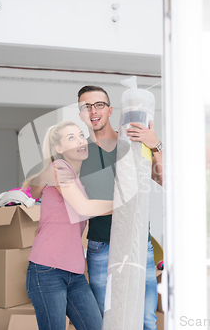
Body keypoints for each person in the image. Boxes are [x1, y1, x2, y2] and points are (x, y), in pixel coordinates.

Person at [60, 85, 163, 329]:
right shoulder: (78, 152)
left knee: (146, 319)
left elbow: (163, 179)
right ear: (81, 114)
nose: (92, 111)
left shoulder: (133, 141)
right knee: (107, 319)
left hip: (138, 243)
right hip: (100, 246)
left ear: (110, 110)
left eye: (98, 105)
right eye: (86, 107)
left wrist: (156, 145)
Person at [23, 121, 114, 330]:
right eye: (71, 138)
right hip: (47, 270)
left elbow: (97, 208)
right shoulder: (60, 168)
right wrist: (123, 202)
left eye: (81, 135)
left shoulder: (79, 180)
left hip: (75, 272)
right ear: (59, 149)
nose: (80, 140)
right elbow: (83, 208)